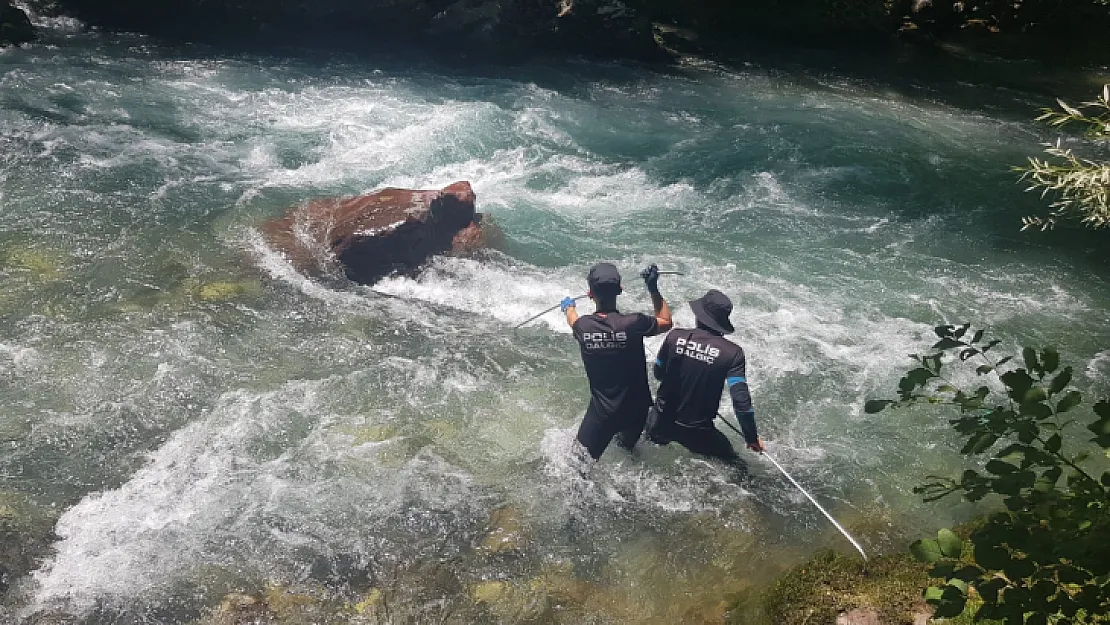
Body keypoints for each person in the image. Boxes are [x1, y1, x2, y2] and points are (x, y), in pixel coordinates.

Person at [562, 262, 672, 460]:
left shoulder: (583, 327)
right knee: (627, 453)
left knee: (576, 467)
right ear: (620, 290)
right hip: (637, 412)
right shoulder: (635, 322)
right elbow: (665, 321)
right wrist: (653, 289)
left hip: (603, 414)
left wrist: (568, 307)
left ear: (589, 293)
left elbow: (572, 319)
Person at [646, 289, 765, 470]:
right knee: (737, 466)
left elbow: (658, 374)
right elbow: (741, 403)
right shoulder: (732, 353)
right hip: (697, 432)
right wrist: (751, 438)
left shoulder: (674, 336)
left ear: (699, 316)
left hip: (660, 423)